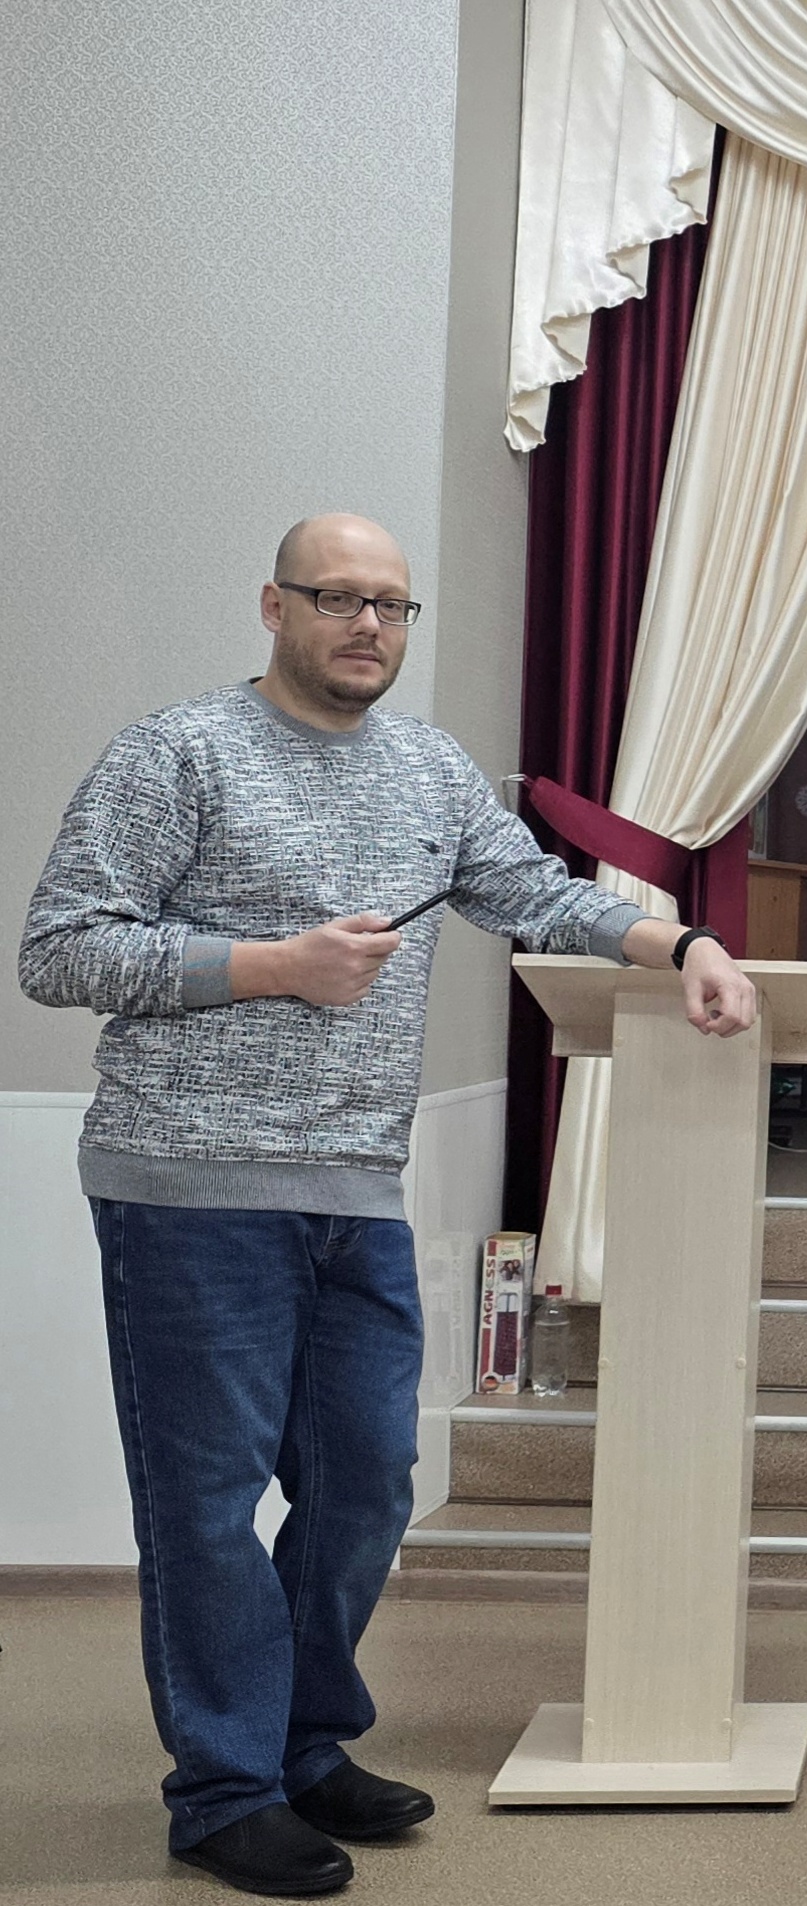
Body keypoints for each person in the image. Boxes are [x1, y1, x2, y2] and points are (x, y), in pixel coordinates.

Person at [18, 514, 762, 1898]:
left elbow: (532, 892)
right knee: (206, 1504)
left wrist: (686, 941)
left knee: (365, 1482)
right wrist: (271, 964)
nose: (369, 625)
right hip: (189, 1189)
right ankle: (225, 1790)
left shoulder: (428, 770)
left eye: (393, 605)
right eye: (338, 598)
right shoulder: (176, 753)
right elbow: (59, 950)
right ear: (274, 606)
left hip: (355, 1188)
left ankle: (305, 1747)